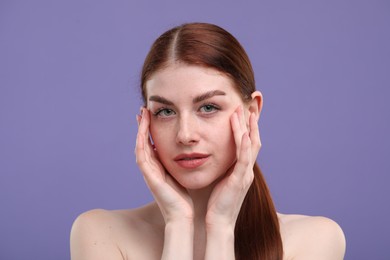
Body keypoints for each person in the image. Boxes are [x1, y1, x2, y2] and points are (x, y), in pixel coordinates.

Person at [70, 22, 346, 260]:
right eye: (165, 112)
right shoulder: (100, 233)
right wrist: (178, 224)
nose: (185, 135)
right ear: (145, 122)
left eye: (208, 107)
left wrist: (221, 227)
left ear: (252, 112)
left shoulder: (314, 239)